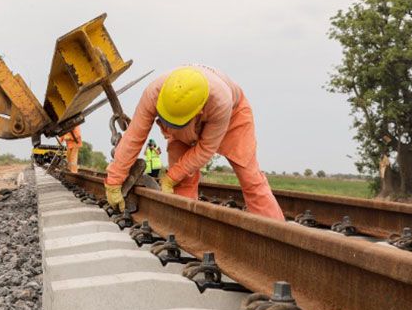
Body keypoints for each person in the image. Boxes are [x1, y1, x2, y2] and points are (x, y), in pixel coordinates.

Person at [103, 66, 284, 220]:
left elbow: (205, 149)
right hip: (186, 121)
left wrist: (171, 176)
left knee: (250, 178)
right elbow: (135, 135)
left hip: (233, 117)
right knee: (183, 180)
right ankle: (183, 225)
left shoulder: (221, 102)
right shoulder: (153, 92)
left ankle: (275, 231)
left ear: (198, 113)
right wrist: (114, 179)